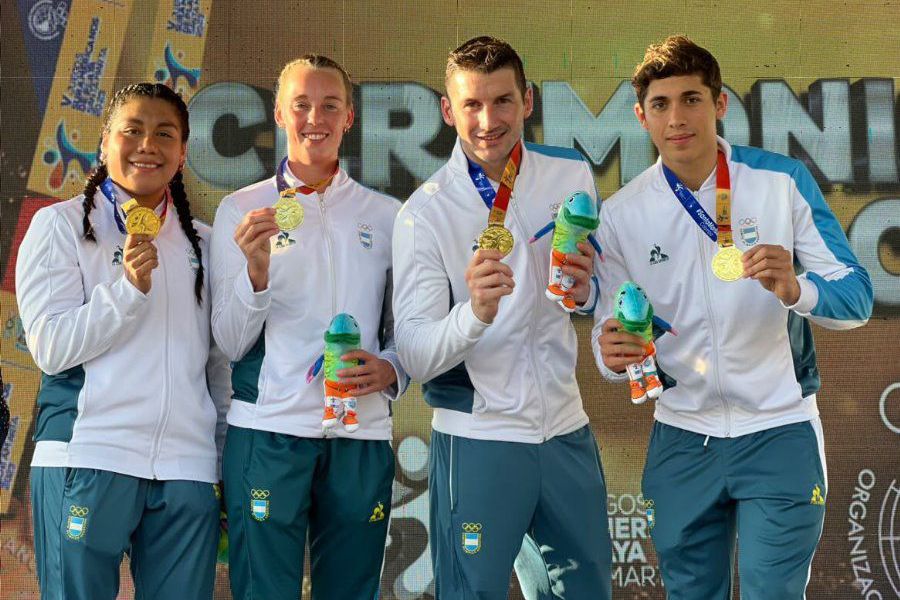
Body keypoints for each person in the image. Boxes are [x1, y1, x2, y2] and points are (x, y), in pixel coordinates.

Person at [593, 35, 874, 600]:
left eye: (692, 100)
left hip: (779, 429)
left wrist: (797, 288)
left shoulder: (781, 181)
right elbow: (613, 342)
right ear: (641, 116)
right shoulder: (620, 215)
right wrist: (612, 355)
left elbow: (857, 296)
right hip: (681, 436)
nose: (677, 118)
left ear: (719, 105)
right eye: (661, 104)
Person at [392, 36, 612, 599]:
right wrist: (475, 314)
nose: (488, 120)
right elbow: (415, 352)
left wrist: (587, 293)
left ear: (528, 101)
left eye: (503, 101)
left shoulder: (571, 177)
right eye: (471, 104)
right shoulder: (425, 212)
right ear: (448, 110)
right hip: (479, 440)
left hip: (566, 430)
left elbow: (597, 293)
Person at [16, 83, 230, 600]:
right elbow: (50, 347)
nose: (147, 145)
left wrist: (218, 456)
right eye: (131, 130)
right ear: (104, 142)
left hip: (186, 466)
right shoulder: (60, 225)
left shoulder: (205, 242)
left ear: (183, 153)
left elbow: (218, 365)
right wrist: (127, 293)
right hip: (89, 452)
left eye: (164, 134)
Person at [210, 54, 408, 599]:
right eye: (301, 104)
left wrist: (391, 368)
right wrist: (255, 272)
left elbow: (405, 330)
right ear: (279, 113)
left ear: (350, 117)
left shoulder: (387, 216)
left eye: (329, 105)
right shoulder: (242, 210)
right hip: (269, 431)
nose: (314, 118)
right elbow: (228, 342)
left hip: (360, 433)